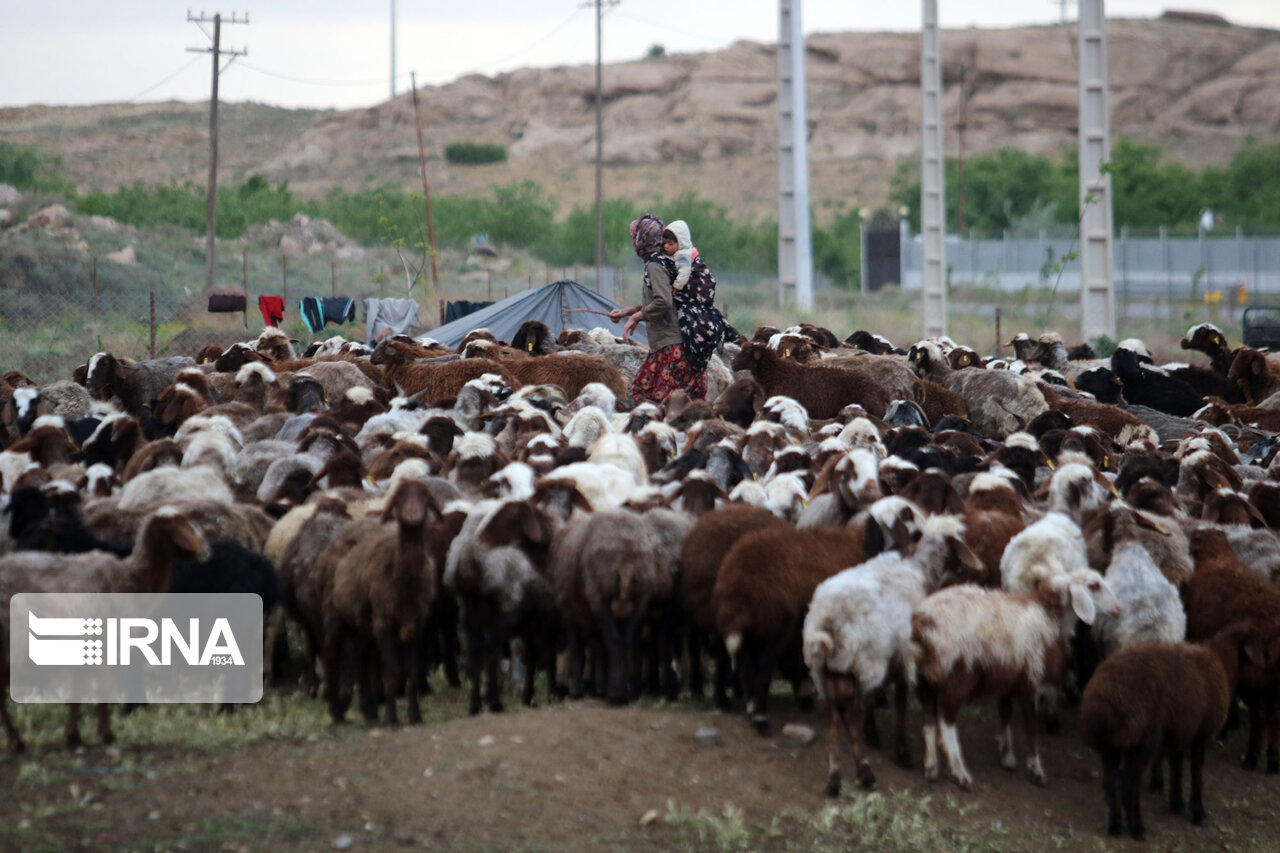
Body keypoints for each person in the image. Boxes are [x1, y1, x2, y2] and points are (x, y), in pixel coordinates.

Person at [609, 213, 708, 403]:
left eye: (634, 238)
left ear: (643, 239)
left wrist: (637, 317)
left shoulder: (655, 265)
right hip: (681, 346)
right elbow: (665, 298)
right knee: (681, 403)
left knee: (646, 393)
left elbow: (663, 301)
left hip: (671, 348)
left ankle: (660, 433)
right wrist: (628, 311)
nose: (633, 243)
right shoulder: (667, 260)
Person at [663, 219, 726, 375]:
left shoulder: (683, 256)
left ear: (681, 242)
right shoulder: (681, 254)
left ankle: (695, 353)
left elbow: (684, 275)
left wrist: (675, 287)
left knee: (693, 323)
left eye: (670, 244)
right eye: (665, 243)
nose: (666, 247)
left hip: (699, 290)